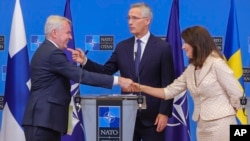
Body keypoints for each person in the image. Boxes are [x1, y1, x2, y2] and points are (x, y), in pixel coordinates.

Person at [72, 2, 175, 141]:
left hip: (153, 118)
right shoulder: (122, 47)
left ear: (147, 20)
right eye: (129, 18)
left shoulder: (163, 48)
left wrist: (164, 112)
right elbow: (106, 71)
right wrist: (85, 62)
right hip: (127, 115)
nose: (130, 22)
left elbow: (168, 83)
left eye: (135, 18)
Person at [22, 15, 133, 141]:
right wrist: (118, 80)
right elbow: (81, 75)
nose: (70, 37)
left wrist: (84, 61)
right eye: (68, 32)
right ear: (54, 33)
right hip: (42, 122)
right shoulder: (52, 53)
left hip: (45, 121)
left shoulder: (47, 50)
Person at [131, 25, 244, 141]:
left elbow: (237, 93)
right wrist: (141, 88)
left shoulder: (216, 64)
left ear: (197, 44)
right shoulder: (191, 69)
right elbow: (168, 91)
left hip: (222, 124)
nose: (183, 46)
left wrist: (228, 113)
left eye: (186, 43)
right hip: (202, 126)